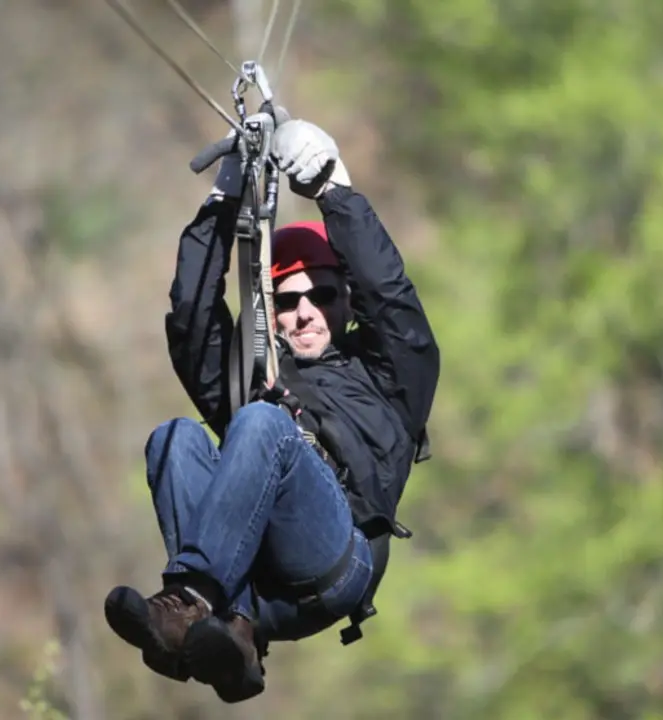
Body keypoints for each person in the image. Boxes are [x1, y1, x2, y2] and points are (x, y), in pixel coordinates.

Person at [103, 116, 440, 703]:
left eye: (323, 295)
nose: (306, 312)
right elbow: (191, 319)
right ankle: (227, 636)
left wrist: (334, 190)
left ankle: (191, 605)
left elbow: (395, 303)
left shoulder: (387, 375)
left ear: (346, 301)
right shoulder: (251, 373)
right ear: (272, 309)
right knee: (174, 437)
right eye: (288, 299)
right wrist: (221, 203)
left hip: (338, 558)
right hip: (256, 583)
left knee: (261, 421)